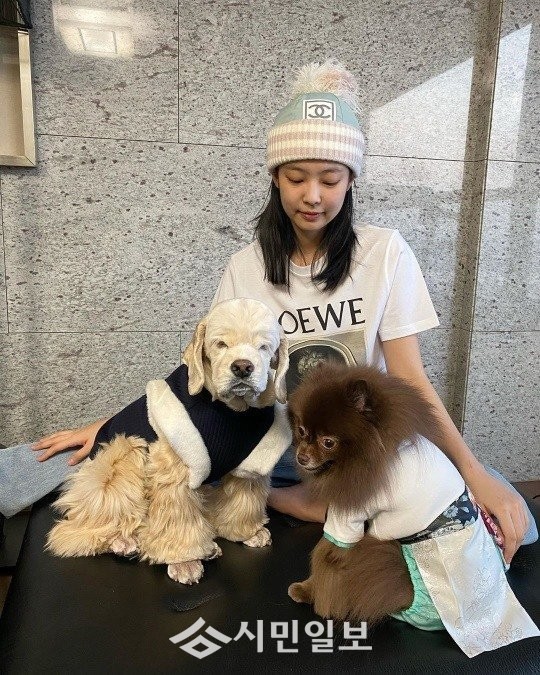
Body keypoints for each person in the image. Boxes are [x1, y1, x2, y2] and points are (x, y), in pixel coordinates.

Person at [0, 61, 536, 565]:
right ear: (275, 177)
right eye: (296, 177)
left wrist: (473, 473)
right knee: (89, 463)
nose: (312, 196)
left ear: (351, 180)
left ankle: (293, 500)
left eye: (330, 178)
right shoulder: (245, 267)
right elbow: (207, 374)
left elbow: (410, 380)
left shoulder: (386, 252)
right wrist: (110, 425)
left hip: (353, 449)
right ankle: (286, 497)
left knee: (512, 522)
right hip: (272, 442)